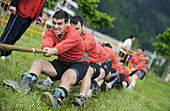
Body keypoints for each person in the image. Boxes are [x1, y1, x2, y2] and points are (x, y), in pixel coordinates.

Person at [3, 10, 89, 109]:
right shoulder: (51, 31)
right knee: (37, 63)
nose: (56, 27)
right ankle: (24, 86)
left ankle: (56, 100)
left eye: (60, 24)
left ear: (66, 23)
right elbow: (48, 39)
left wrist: (53, 50)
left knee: (66, 77)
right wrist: (47, 48)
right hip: (62, 62)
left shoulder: (74, 34)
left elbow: (63, 45)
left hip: (79, 63)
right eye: (54, 23)